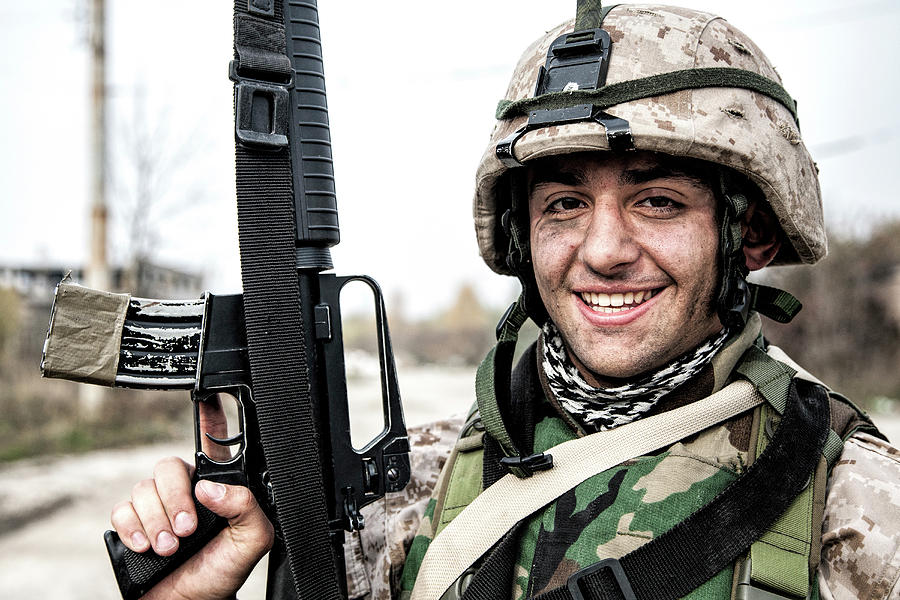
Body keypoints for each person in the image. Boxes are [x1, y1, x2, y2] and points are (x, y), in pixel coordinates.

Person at [110, 3, 900, 599]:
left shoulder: (859, 505)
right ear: (522, 238)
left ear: (750, 234)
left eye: (657, 201)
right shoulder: (406, 493)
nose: (602, 250)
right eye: (563, 205)